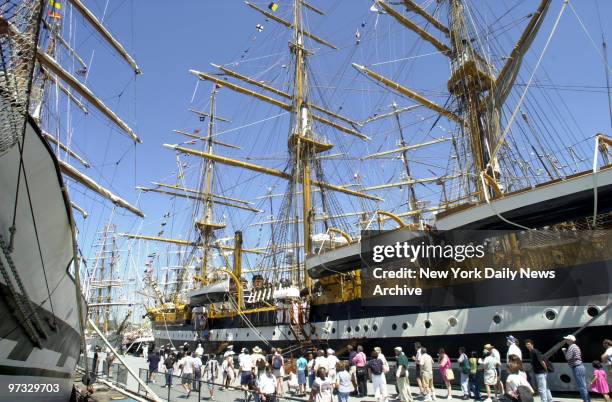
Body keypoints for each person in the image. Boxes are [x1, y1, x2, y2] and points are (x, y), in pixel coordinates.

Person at [563, 334, 590, 402]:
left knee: (581, 386)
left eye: (567, 339)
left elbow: (567, 357)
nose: (566, 340)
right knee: (583, 385)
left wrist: (564, 351)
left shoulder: (571, 347)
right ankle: (587, 400)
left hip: (577, 368)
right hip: (580, 367)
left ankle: (586, 400)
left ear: (570, 340)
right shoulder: (575, 347)